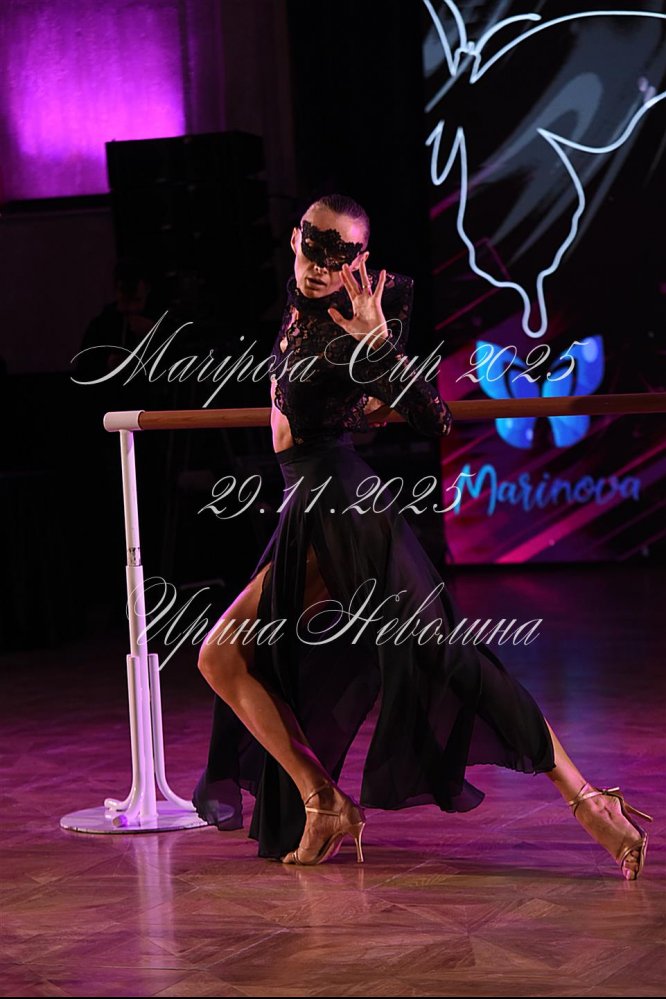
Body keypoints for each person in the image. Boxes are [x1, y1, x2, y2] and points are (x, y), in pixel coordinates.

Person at [193, 193, 652, 877]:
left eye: (338, 255)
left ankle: (588, 798)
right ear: (294, 238)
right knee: (226, 656)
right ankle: (323, 800)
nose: (320, 265)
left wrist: (376, 345)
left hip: (342, 507)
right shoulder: (298, 301)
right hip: (307, 507)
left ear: (360, 262)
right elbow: (344, 402)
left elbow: (432, 416)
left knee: (444, 658)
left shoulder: (359, 317)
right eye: (313, 245)